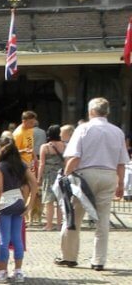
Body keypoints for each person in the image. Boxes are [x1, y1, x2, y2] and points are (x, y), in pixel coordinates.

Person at [55, 98, 128, 271]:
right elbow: (121, 162)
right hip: (109, 175)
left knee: (74, 216)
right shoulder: (117, 132)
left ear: (91, 111)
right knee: (102, 219)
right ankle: (98, 260)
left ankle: (69, 257)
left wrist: (65, 175)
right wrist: (120, 184)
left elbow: (75, 156)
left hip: (85, 176)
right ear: (107, 112)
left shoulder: (83, 128)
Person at [0, 144, 36, 283]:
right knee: (17, 238)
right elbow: (34, 183)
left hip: (5, 203)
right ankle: (18, 271)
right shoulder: (22, 165)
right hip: (19, 201)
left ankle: (1, 272)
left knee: (4, 239)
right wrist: (30, 205)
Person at [38, 125, 66, 231]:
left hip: (49, 176)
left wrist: (39, 178)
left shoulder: (45, 147)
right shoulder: (64, 146)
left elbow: (42, 164)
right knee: (60, 200)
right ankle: (59, 225)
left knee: (49, 202)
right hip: (61, 174)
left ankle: (49, 225)